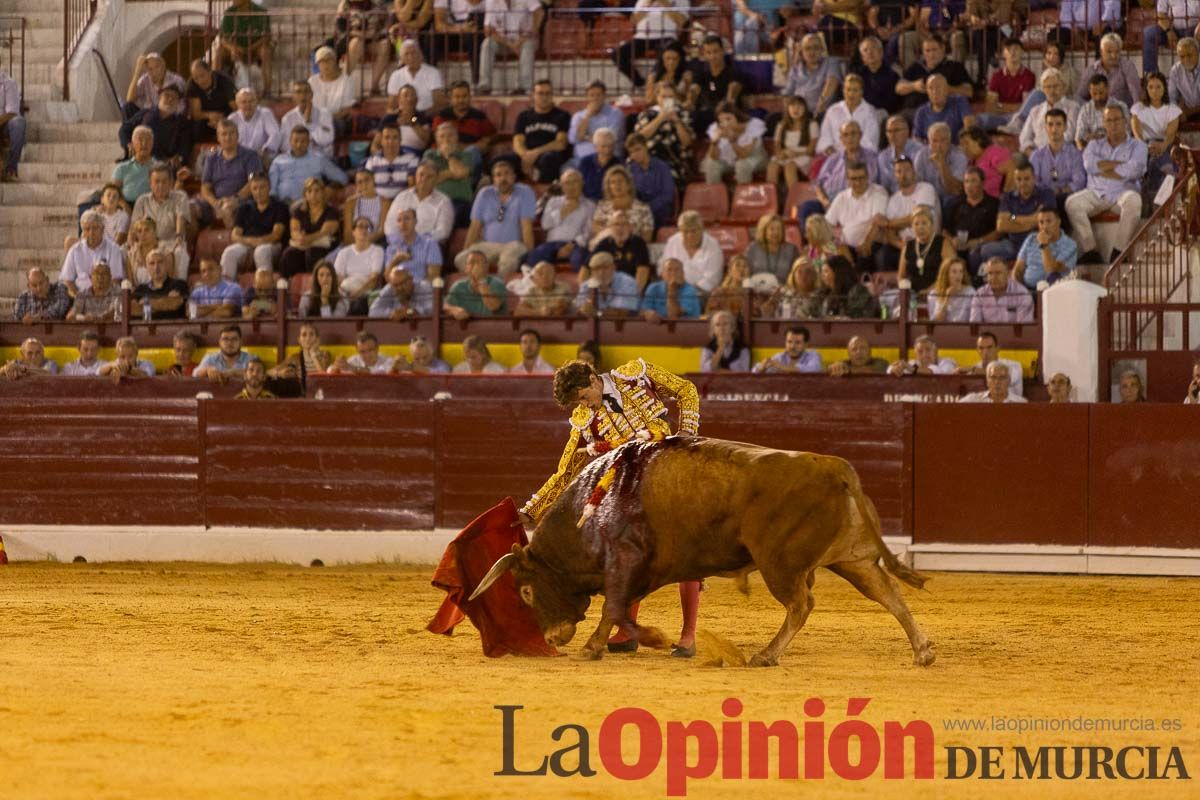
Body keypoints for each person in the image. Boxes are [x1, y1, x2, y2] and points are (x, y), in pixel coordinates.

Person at [519, 357, 701, 656]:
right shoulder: (583, 418)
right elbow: (567, 469)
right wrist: (532, 509)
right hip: (631, 488)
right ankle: (625, 631)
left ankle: (688, 636)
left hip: (671, 473)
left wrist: (687, 433)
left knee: (686, 553)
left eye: (583, 397)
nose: (586, 406)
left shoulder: (635, 376)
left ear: (592, 379)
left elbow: (686, 390)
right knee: (628, 554)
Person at [1067, 104, 1149, 265]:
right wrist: (1120, 165)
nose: (1113, 124)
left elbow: (1134, 170)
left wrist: (1102, 168)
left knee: (1134, 200)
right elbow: (1089, 165)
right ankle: (1091, 251)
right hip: (1097, 193)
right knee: (1072, 203)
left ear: (1125, 121)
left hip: (1122, 192)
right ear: (1103, 123)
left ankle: (1119, 252)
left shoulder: (1138, 145)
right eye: (1108, 120)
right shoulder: (1093, 145)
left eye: (1117, 119)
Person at [455, 159, 536, 276]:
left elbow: (526, 227)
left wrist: (530, 257)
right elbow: (474, 227)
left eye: (507, 173)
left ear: (514, 177)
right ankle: (479, 286)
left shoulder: (525, 192)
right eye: (498, 175)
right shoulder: (484, 194)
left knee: (508, 259)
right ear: (493, 180)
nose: (503, 178)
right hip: (487, 245)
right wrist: (467, 250)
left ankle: (498, 288)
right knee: (461, 259)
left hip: (513, 245)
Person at [980, 161, 1055, 267]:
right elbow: (1001, 225)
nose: (1023, 183)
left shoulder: (1046, 194)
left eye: (1026, 179)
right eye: (1019, 179)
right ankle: (1016, 262)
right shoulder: (1008, 197)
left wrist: (1013, 218)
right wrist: (1029, 219)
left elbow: (1043, 221)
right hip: (1012, 244)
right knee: (985, 250)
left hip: (1036, 242)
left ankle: (1016, 263)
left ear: (1034, 178)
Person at [875, 156, 938, 272]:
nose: (903, 174)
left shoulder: (926, 188)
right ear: (895, 175)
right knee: (883, 254)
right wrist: (901, 245)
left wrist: (888, 223)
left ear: (913, 171)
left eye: (907, 170)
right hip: (904, 244)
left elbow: (918, 218)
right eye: (899, 171)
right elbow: (890, 233)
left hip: (927, 241)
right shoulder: (894, 200)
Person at [198, 119, 262, 229]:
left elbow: (253, 182)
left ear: (237, 135)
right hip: (216, 202)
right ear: (218, 138)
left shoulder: (250, 156)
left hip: (241, 201)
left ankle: (234, 243)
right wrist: (215, 203)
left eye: (231, 133)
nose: (227, 138)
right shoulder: (211, 158)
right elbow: (205, 187)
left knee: (227, 208)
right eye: (224, 134)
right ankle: (183, 244)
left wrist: (235, 199)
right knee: (190, 208)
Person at [221, 173, 288, 278]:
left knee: (261, 251)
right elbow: (235, 235)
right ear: (251, 191)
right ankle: (228, 291)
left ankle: (266, 290)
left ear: (269, 187)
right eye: (255, 188)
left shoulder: (280, 207)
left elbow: (276, 235)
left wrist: (258, 242)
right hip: (247, 244)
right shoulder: (244, 208)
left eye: (262, 187)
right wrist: (251, 242)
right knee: (229, 252)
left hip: (271, 245)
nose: (258, 192)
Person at [825, 161, 888, 271]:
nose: (858, 182)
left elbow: (878, 222)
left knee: (864, 255)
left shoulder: (878, 192)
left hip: (872, 243)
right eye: (854, 179)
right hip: (846, 247)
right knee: (824, 252)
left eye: (861, 178)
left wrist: (867, 242)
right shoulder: (842, 197)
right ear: (847, 180)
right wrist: (835, 246)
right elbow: (826, 225)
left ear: (868, 176)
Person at [131, 165, 193, 279]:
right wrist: (134, 246)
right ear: (150, 183)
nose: (160, 185)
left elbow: (181, 219)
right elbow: (134, 228)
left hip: (171, 242)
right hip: (147, 244)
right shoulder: (142, 200)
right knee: (126, 251)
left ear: (171, 182)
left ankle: (178, 289)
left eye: (164, 182)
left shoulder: (180, 197)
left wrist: (179, 235)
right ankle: (135, 290)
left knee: (180, 252)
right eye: (157, 182)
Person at [528, 170, 595, 272]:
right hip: (552, 244)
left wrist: (571, 245)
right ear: (562, 186)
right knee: (533, 257)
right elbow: (545, 224)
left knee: (580, 260)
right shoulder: (553, 202)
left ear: (582, 183)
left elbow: (588, 232)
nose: (571, 186)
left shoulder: (590, 205)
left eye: (575, 182)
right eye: (567, 183)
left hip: (575, 244)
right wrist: (564, 211)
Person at [613, 0, 689, 89]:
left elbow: (681, 21)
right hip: (641, 37)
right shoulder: (643, 1)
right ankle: (640, 83)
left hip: (666, 36)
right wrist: (647, 5)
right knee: (617, 53)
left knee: (666, 55)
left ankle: (658, 86)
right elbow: (633, 21)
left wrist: (665, 4)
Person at [119, 53, 186, 154]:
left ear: (163, 66)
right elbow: (130, 98)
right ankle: (133, 147)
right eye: (150, 69)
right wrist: (137, 72)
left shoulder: (176, 80)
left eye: (156, 67)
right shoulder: (145, 79)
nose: (153, 72)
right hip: (149, 114)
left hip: (170, 117)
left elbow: (181, 106)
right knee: (127, 108)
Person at [1131, 70, 1182, 199]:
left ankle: (1151, 196)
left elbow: (1170, 135)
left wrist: (1163, 145)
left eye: (1158, 87)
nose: (1154, 91)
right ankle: (1158, 197)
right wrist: (1145, 147)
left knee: (1156, 159)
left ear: (1164, 88)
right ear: (1146, 89)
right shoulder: (1138, 108)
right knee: (1154, 159)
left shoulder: (1172, 109)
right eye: (1151, 87)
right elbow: (1137, 133)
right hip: (1143, 145)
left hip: (1166, 145)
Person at [1031, 109, 1087, 225]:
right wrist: (1048, 192)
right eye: (1050, 124)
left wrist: (1060, 190)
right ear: (1045, 127)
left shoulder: (1075, 154)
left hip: (1065, 198)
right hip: (1043, 197)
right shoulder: (1037, 155)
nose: (1054, 129)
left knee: (1060, 200)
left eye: (1058, 124)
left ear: (1065, 127)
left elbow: (1079, 182)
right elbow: (1033, 181)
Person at [268, 126, 348, 204]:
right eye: (296, 141)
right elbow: (272, 190)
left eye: (303, 141)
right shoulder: (278, 160)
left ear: (309, 142)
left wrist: (328, 189)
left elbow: (342, 178)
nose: (299, 145)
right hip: (282, 204)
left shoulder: (319, 159)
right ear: (290, 141)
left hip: (309, 204)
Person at [635, 82, 695, 185]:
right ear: (657, 97)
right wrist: (660, 118)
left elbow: (687, 142)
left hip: (673, 159)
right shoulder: (647, 114)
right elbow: (639, 138)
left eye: (670, 97)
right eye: (663, 96)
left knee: (664, 175)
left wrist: (677, 122)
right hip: (648, 158)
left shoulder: (682, 114)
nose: (667, 100)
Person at [280, 177, 340, 279]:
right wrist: (300, 237)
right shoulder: (298, 211)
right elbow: (294, 231)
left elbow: (325, 232)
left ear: (323, 192)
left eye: (317, 190)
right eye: (309, 191)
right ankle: (287, 285)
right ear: (305, 194)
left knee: (313, 253)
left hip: (324, 247)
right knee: (288, 254)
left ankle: (313, 284)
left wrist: (306, 239)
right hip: (303, 245)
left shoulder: (331, 211)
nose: (313, 194)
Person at [897, 34, 972, 112]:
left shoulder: (955, 67)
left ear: (943, 49)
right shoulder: (916, 67)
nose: (931, 54)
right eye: (927, 51)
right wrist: (914, 86)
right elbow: (898, 88)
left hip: (942, 112)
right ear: (923, 52)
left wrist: (947, 89)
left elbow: (969, 92)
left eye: (934, 50)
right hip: (913, 111)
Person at [944, 167, 1000, 272]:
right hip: (957, 246)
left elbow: (999, 232)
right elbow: (944, 230)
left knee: (975, 253)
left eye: (973, 181)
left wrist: (978, 242)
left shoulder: (994, 204)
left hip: (979, 246)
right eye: (966, 181)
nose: (969, 185)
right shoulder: (955, 203)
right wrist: (952, 240)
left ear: (982, 183)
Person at [513, 80, 570, 182]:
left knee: (549, 159)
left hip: (548, 155)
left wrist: (536, 153)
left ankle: (546, 194)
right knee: (501, 161)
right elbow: (517, 142)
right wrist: (526, 157)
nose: (544, 97)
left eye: (548, 93)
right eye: (540, 93)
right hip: (527, 154)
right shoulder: (523, 116)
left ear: (552, 96)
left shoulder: (562, 116)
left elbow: (561, 143)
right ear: (533, 95)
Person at [422, 122, 478, 226]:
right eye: (442, 136)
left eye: (450, 135)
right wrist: (451, 174)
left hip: (460, 202)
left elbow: (461, 172)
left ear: (457, 137)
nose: (446, 140)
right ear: (436, 139)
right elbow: (427, 179)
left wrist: (450, 156)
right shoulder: (430, 154)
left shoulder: (466, 155)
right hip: (435, 201)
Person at [388, 161, 455, 245]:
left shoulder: (444, 202)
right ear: (416, 176)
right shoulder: (402, 197)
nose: (423, 179)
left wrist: (417, 240)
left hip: (427, 247)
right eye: (421, 175)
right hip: (399, 244)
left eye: (429, 177)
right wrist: (400, 241)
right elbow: (389, 225)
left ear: (437, 180)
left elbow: (443, 232)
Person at [61, 211, 126, 296]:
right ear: (83, 231)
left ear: (102, 229)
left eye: (95, 228)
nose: (91, 233)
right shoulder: (75, 250)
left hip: (106, 298)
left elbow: (116, 280)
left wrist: (100, 297)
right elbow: (67, 281)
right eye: (87, 229)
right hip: (80, 297)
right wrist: (78, 297)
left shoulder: (113, 249)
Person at [701, 102, 767, 185]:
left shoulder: (753, 125)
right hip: (728, 161)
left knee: (741, 164)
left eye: (728, 119)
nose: (725, 123)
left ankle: (744, 196)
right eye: (721, 120)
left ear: (737, 116)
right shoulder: (715, 128)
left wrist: (732, 140)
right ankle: (714, 196)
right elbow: (713, 157)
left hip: (753, 158)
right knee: (711, 164)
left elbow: (744, 155)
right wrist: (715, 142)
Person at [214, 0, 273, 93]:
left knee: (265, 52)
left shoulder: (260, 12)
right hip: (236, 48)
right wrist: (233, 48)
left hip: (255, 48)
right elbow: (223, 38)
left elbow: (266, 36)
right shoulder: (229, 13)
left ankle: (267, 89)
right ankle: (215, 87)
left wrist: (251, 48)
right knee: (219, 52)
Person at [692, 34, 747, 132]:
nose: (712, 56)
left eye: (715, 52)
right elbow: (693, 93)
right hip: (705, 114)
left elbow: (730, 101)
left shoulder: (734, 73)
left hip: (726, 115)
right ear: (704, 54)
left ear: (723, 51)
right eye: (708, 52)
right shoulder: (700, 73)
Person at [661, 210, 724, 295]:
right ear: (680, 230)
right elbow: (663, 270)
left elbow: (712, 280)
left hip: (702, 294)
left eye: (694, 231)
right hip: (673, 290)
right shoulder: (672, 242)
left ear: (702, 229)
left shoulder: (713, 246)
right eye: (685, 231)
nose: (690, 235)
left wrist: (688, 292)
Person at [1019, 68, 1080, 155]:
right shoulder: (1035, 111)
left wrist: (1048, 153)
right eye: (1048, 87)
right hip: (1036, 155)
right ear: (1043, 89)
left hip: (1063, 154)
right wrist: (1034, 154)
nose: (1052, 90)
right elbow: (1024, 138)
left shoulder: (1073, 108)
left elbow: (1069, 136)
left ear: (1063, 86)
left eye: (1055, 86)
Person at [1014, 207, 1078, 289]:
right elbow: (1018, 270)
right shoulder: (1031, 238)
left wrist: (1044, 244)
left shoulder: (1070, 245)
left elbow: (1051, 269)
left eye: (1049, 221)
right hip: (1028, 290)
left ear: (1058, 222)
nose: (1045, 226)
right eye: (1041, 222)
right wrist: (1021, 291)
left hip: (1054, 290)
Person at [784, 33, 845, 118]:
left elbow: (832, 82)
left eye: (816, 48)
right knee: (772, 119)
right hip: (798, 114)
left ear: (822, 49)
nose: (812, 52)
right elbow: (787, 94)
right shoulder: (795, 69)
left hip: (822, 113)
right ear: (801, 52)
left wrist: (821, 104)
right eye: (807, 48)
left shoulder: (831, 62)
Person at [588, 209, 652, 291]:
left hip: (630, 290)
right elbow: (586, 267)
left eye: (624, 224)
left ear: (630, 227)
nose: (620, 228)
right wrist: (584, 292)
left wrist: (633, 295)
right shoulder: (604, 243)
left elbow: (643, 272)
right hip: (608, 290)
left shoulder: (638, 243)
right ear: (610, 227)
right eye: (616, 224)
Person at [898, 206, 956, 296]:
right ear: (912, 227)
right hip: (913, 295)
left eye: (924, 223)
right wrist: (906, 291)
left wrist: (929, 291)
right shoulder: (908, 246)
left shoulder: (943, 243)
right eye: (916, 224)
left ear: (932, 225)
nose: (920, 227)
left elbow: (952, 273)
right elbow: (901, 276)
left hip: (937, 292)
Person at [591, 165, 655, 244]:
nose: (617, 185)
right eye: (612, 182)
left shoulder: (643, 208)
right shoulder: (603, 206)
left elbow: (647, 237)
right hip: (608, 245)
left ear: (628, 184)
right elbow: (595, 228)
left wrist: (626, 239)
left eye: (620, 181)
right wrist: (614, 235)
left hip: (633, 247)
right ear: (609, 187)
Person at [431, 80, 497, 157]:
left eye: (464, 96)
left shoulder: (479, 117)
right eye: (457, 97)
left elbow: (494, 135)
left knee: (474, 151)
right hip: (443, 155)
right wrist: (466, 147)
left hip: (469, 156)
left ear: (470, 97)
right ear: (451, 98)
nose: (461, 100)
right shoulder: (441, 117)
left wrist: (487, 140)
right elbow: (436, 141)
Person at [1076, 33, 1143, 108]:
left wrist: (1135, 113)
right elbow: (1079, 96)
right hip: (1097, 113)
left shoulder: (1127, 66)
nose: (1114, 55)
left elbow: (1136, 93)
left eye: (1117, 52)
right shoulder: (1091, 70)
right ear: (1101, 51)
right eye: (1109, 52)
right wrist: (1091, 108)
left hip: (1122, 113)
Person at [625, 133, 675, 230]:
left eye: (637, 149)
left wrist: (647, 208)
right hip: (638, 211)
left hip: (659, 210)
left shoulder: (662, 167)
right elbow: (630, 194)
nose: (635, 155)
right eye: (631, 152)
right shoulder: (630, 169)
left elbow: (667, 195)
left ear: (646, 147)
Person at [768, 96, 818, 190]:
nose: (796, 109)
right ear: (788, 108)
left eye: (799, 106)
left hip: (804, 155)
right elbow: (777, 146)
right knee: (772, 165)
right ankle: (773, 197)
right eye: (792, 106)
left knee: (790, 166)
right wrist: (780, 154)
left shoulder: (812, 124)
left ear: (805, 109)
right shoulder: (781, 125)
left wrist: (796, 154)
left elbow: (811, 150)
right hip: (786, 154)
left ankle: (793, 197)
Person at [276, 81, 336, 160]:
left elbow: (327, 140)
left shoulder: (324, 113)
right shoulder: (287, 118)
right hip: (297, 160)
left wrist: (309, 123)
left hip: (321, 160)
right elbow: (284, 146)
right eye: (298, 92)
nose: (302, 95)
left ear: (311, 95)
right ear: (293, 97)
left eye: (306, 92)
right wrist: (310, 143)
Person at [335, 217, 385, 308]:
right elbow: (338, 278)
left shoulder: (377, 251)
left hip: (366, 292)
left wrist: (358, 292)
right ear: (353, 232)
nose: (364, 230)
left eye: (368, 228)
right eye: (360, 226)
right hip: (345, 291)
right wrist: (346, 293)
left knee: (358, 304)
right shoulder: (344, 252)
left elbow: (374, 279)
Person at [570, 81, 625, 163]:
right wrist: (587, 116)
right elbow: (573, 139)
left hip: (608, 159)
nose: (595, 98)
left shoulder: (615, 113)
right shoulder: (578, 116)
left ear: (604, 96)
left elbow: (609, 139)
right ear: (587, 97)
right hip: (580, 160)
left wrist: (585, 137)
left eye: (598, 95)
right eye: (592, 95)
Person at [186, 59, 238, 144]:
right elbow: (195, 113)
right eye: (196, 78)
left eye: (202, 76)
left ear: (210, 71)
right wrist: (210, 115)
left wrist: (222, 119)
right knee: (194, 127)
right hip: (205, 117)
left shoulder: (224, 81)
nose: (200, 81)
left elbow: (234, 106)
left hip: (226, 115)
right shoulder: (192, 85)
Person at [445, 249, 507, 320]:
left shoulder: (497, 283)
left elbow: (493, 306)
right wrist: (453, 310)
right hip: (466, 329)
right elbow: (445, 306)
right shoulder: (459, 286)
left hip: (493, 327)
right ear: (466, 268)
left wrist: (481, 280)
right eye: (472, 262)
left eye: (481, 263)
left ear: (487, 267)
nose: (477, 266)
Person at [384, 207, 442, 280]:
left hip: (420, 286)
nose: (403, 224)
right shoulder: (392, 248)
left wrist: (412, 287)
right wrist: (395, 261)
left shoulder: (430, 244)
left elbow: (433, 276)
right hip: (397, 287)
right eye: (399, 220)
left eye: (407, 218)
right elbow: (387, 278)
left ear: (415, 221)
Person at [913, 74, 974, 144]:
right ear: (927, 92)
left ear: (946, 89)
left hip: (956, 149)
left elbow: (970, 127)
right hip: (930, 151)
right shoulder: (921, 112)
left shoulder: (959, 101)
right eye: (930, 88)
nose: (934, 92)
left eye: (938, 87)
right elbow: (916, 139)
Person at [387, 39, 446, 112]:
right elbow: (391, 107)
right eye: (406, 54)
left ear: (420, 54)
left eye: (414, 53)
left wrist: (419, 117)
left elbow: (439, 103)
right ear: (402, 58)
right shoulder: (396, 75)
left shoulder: (433, 73)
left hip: (427, 116)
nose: (411, 57)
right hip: (403, 117)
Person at [914, 122, 968, 200]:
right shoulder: (921, 155)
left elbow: (955, 190)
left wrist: (941, 164)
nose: (939, 145)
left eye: (943, 140)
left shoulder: (959, 156)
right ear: (929, 142)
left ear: (949, 140)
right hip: (928, 197)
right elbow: (918, 184)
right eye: (934, 141)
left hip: (951, 198)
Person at [970, 258, 1035, 323]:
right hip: (986, 333)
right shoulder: (980, 294)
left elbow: (1024, 328)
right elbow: (974, 326)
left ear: (1008, 274)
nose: (993, 277)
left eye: (998, 273)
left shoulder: (1022, 294)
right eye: (990, 273)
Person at [366, 124, 420, 201]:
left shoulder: (412, 159)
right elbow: (367, 187)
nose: (390, 142)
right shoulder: (372, 161)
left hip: (402, 203)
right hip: (377, 203)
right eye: (387, 137)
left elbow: (412, 186)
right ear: (381, 141)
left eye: (395, 138)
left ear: (400, 140)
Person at [576, 251, 639, 317]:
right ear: (591, 272)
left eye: (605, 268)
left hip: (626, 325)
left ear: (614, 267)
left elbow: (622, 312)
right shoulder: (586, 285)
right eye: (597, 269)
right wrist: (583, 309)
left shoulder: (627, 282)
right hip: (595, 325)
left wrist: (597, 313)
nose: (601, 273)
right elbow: (579, 309)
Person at [133, 249, 189, 321]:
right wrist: (165, 301)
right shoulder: (140, 289)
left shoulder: (179, 284)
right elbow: (132, 310)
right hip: (145, 330)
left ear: (166, 265)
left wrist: (146, 303)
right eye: (152, 263)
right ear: (147, 267)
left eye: (160, 262)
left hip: (173, 329)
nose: (156, 267)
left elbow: (174, 304)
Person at [851, 34, 901, 116]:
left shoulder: (892, 75)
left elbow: (891, 104)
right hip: (860, 111)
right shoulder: (857, 74)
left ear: (881, 52)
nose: (870, 52)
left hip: (881, 113)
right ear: (863, 57)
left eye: (873, 48)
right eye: (865, 50)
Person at [959, 126, 1013, 200]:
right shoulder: (971, 162)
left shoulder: (994, 152)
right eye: (962, 145)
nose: (964, 148)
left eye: (966, 143)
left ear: (979, 141)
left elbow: (1012, 170)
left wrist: (1005, 198)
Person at [640, 257, 701, 322]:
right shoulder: (653, 288)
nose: (673, 273)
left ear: (683, 273)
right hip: (657, 327)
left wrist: (672, 289)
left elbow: (673, 316)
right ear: (662, 274)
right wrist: (648, 313)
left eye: (677, 270)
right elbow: (642, 311)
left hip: (685, 328)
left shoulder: (690, 290)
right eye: (669, 270)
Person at [745, 214, 800, 285]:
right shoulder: (753, 248)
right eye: (772, 229)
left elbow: (797, 276)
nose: (776, 232)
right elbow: (745, 275)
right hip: (756, 291)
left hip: (784, 292)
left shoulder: (792, 250)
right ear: (764, 230)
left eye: (779, 229)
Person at [341, 168, 388, 249]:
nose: (364, 184)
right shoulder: (351, 202)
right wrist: (352, 248)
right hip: (352, 245)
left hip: (373, 245)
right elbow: (348, 232)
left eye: (367, 180)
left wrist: (361, 243)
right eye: (359, 182)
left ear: (373, 180)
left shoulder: (384, 202)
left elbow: (381, 231)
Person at [308, 46, 356, 127]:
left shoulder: (346, 81)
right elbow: (308, 105)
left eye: (328, 60)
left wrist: (327, 119)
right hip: (316, 119)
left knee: (331, 126)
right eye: (321, 61)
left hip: (337, 119)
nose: (325, 64)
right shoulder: (312, 81)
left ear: (334, 61)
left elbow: (346, 109)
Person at [228, 88, 279, 160]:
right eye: (244, 102)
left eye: (251, 101)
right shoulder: (232, 118)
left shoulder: (265, 113)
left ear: (256, 101)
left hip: (261, 157)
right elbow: (227, 140)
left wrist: (264, 151)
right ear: (238, 104)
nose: (248, 105)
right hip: (239, 158)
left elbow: (275, 134)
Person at [877, 115, 923, 193]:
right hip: (893, 199)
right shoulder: (883, 157)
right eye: (889, 131)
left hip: (916, 193)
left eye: (896, 130)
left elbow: (920, 180)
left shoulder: (920, 151)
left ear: (907, 131)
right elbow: (885, 186)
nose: (892, 135)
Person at [369, 265, 434, 318]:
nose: (400, 288)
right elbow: (373, 312)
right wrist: (392, 313)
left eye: (403, 283)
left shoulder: (425, 287)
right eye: (396, 285)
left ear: (411, 279)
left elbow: (434, 309)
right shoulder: (389, 288)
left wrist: (411, 311)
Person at [753, 326, 824, 373]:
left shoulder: (813, 355)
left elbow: (815, 369)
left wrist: (784, 368)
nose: (792, 346)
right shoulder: (780, 357)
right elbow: (754, 371)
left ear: (806, 344)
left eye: (798, 342)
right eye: (789, 342)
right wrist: (761, 369)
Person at [577, 129, 621, 201]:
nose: (607, 150)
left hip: (608, 203)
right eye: (603, 146)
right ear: (595, 147)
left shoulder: (619, 165)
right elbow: (578, 185)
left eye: (610, 146)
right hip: (586, 202)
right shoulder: (585, 162)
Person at [927, 257, 975, 322]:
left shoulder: (970, 292)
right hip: (942, 330)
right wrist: (947, 298)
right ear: (946, 274)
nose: (958, 275)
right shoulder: (933, 294)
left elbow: (973, 319)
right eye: (954, 272)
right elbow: (935, 323)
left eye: (961, 271)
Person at [959, 360, 1028, 403]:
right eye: (993, 377)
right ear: (987, 381)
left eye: (1002, 378)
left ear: (1009, 381)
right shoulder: (972, 400)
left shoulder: (1021, 403)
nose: (997, 382)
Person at [887, 334, 957, 376]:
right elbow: (889, 369)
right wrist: (894, 369)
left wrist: (909, 368)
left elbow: (939, 373)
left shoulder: (947, 362)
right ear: (916, 354)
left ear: (936, 351)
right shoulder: (913, 363)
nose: (924, 355)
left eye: (928, 350)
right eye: (920, 351)